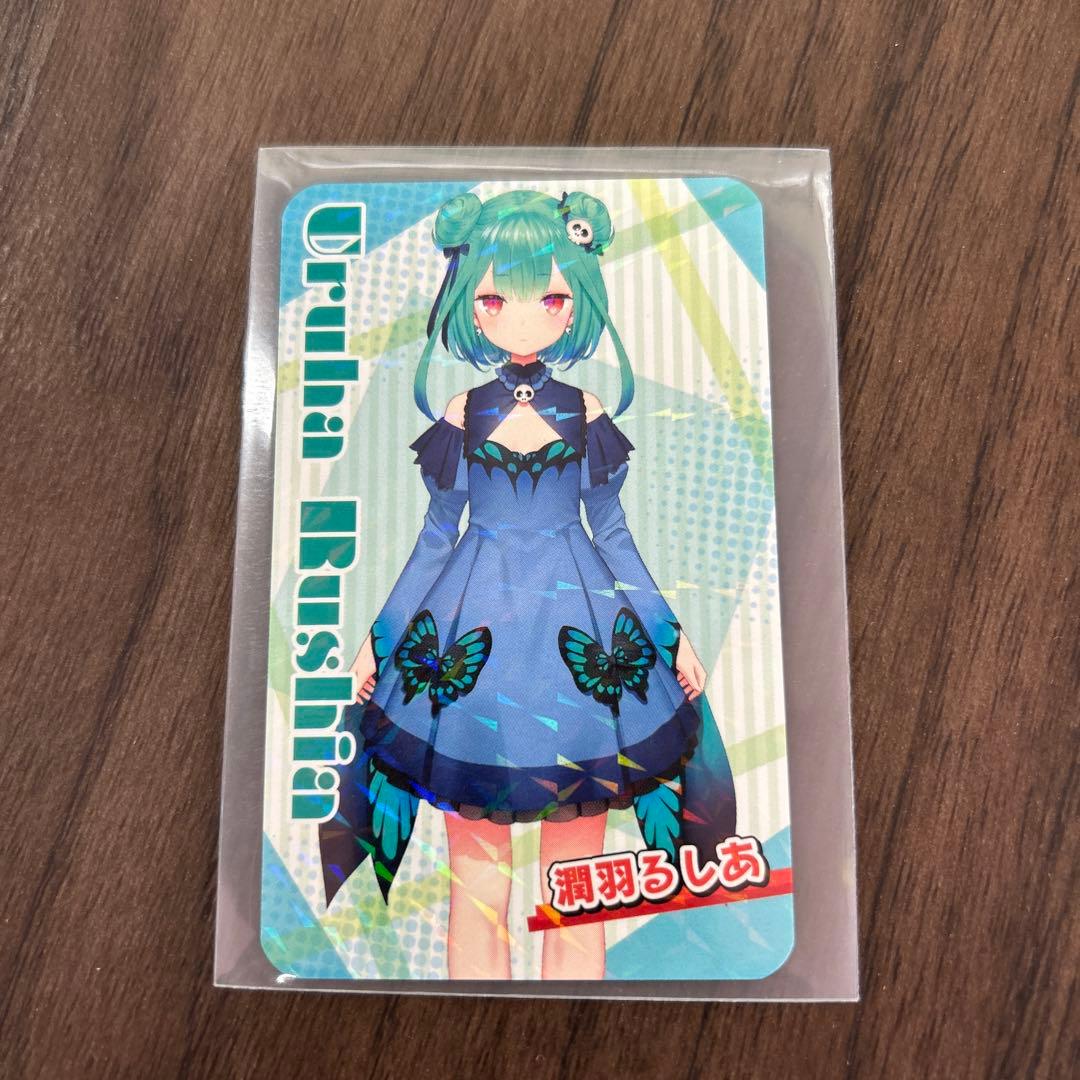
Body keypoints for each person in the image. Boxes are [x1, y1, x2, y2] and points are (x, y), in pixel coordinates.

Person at [320, 188, 734, 980]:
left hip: (581, 650)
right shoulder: (459, 413)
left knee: (573, 888)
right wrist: (381, 638)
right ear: (470, 305)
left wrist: (669, 633)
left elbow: (613, 533)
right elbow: (436, 535)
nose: (520, 317)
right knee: (477, 885)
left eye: (548, 298)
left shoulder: (586, 411)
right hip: (470, 648)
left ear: (576, 301)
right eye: (494, 299)